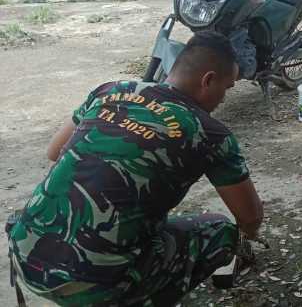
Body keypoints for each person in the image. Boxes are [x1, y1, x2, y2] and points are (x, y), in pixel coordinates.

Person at [7, 32, 263, 306]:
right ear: (208, 80)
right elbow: (249, 217)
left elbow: (54, 151)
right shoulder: (210, 134)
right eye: (227, 87)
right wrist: (245, 239)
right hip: (95, 286)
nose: (224, 98)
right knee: (221, 230)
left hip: (25, 256)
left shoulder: (112, 90)